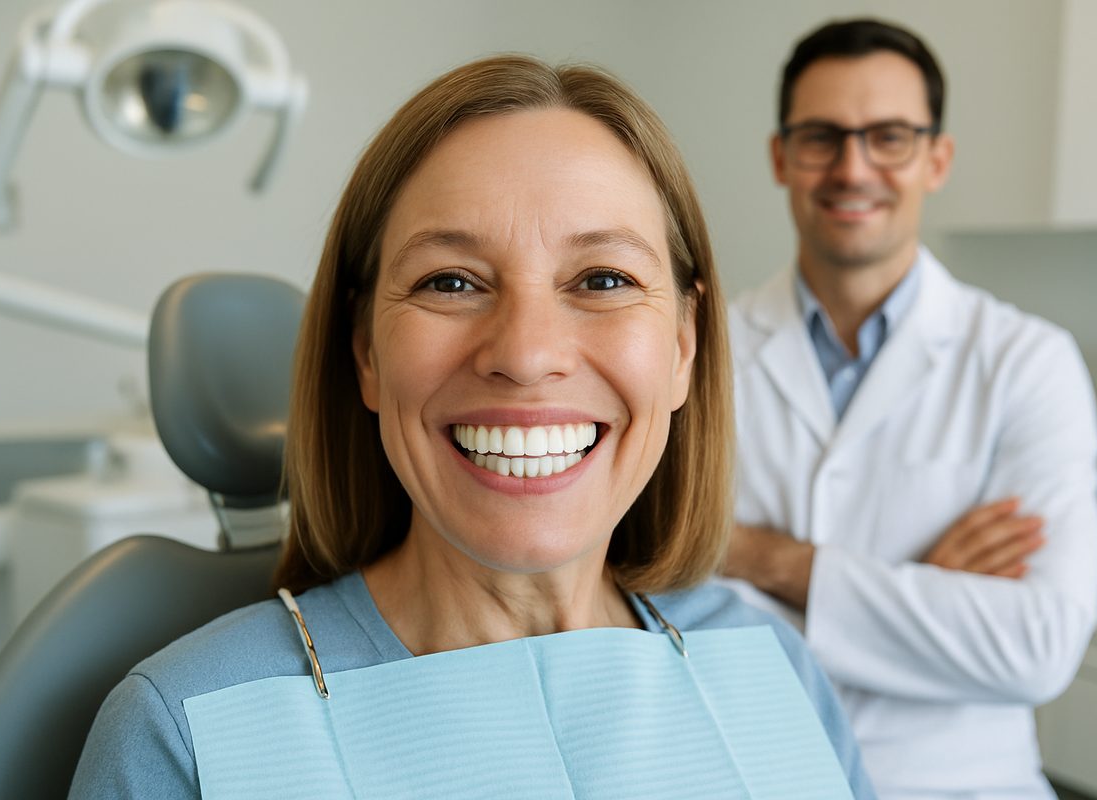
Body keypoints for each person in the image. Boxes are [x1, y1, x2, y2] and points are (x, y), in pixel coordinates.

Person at [70, 55, 875, 798]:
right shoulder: (185, 734)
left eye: (603, 279)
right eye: (450, 282)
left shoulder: (773, 669)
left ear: (683, 347)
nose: (525, 355)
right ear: (366, 352)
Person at [723, 17, 1097, 800]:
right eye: (821, 137)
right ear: (780, 157)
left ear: (937, 159)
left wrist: (761, 558)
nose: (852, 167)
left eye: (889, 137)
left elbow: (1039, 645)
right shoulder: (699, 354)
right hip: (755, 772)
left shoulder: (1029, 362)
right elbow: (654, 592)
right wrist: (917, 591)